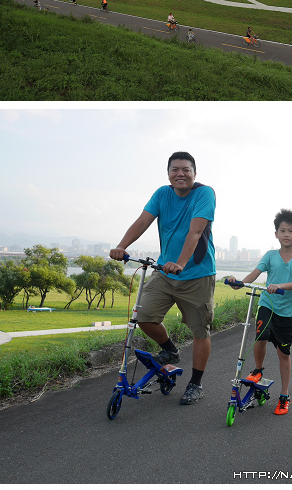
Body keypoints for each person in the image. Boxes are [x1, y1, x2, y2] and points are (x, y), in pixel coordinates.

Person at [110, 152, 216, 405]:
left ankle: (195, 384)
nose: (180, 173)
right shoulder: (162, 194)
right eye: (175, 169)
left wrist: (180, 263)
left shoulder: (204, 194)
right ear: (168, 174)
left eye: (186, 169)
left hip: (197, 275)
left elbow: (195, 230)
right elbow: (142, 221)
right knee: (143, 315)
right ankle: (170, 350)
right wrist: (121, 246)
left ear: (194, 173)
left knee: (200, 331)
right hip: (164, 272)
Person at [226, 209, 292, 415]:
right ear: (276, 234)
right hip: (267, 304)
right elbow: (254, 274)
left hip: (287, 312)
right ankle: (258, 369)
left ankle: (284, 395)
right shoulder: (270, 255)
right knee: (261, 337)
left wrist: (278, 284)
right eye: (282, 230)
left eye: (291, 231)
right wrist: (239, 284)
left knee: (283, 353)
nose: (286, 234)